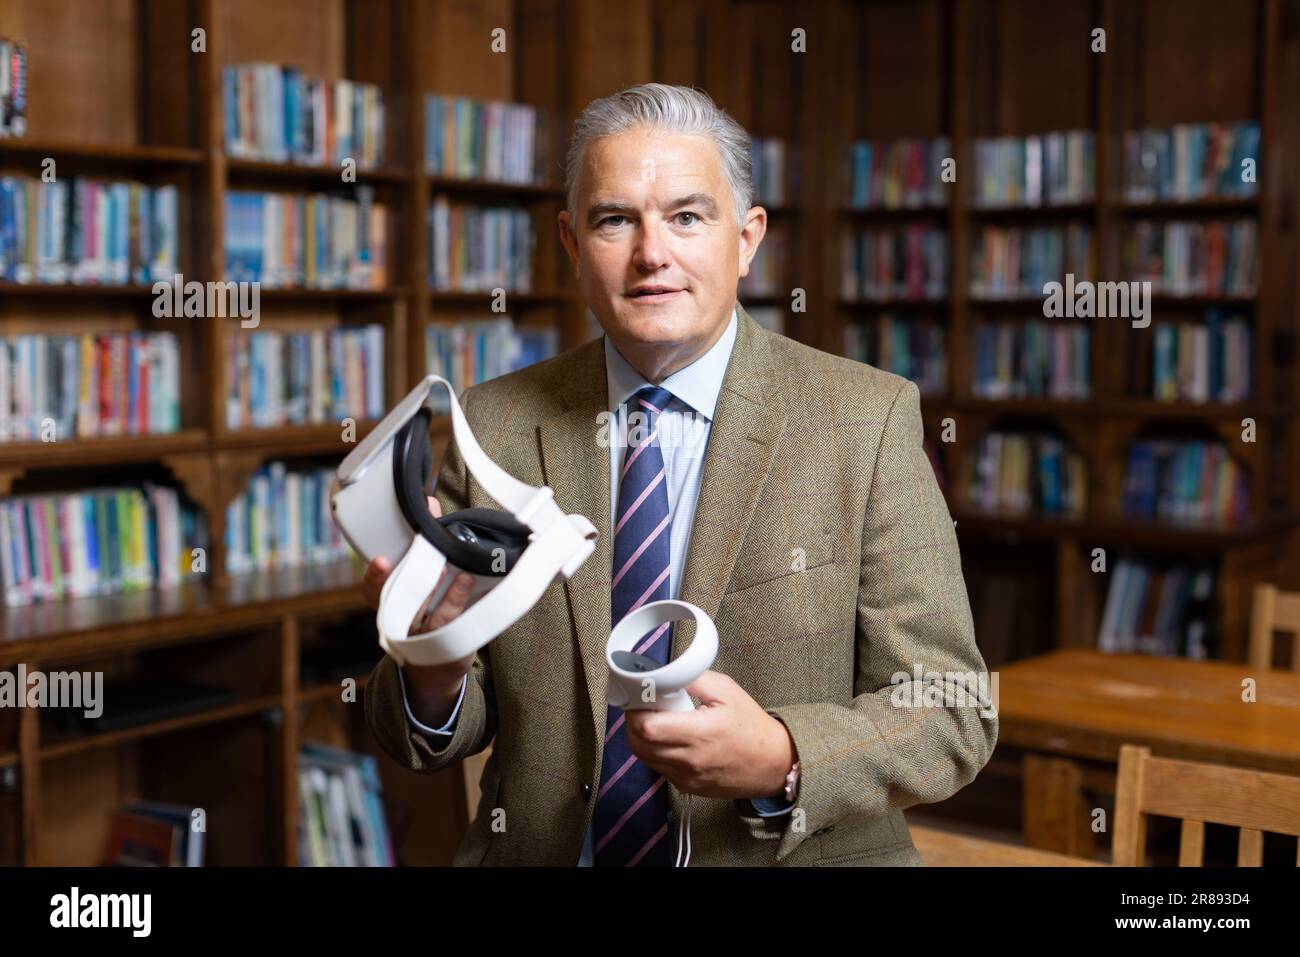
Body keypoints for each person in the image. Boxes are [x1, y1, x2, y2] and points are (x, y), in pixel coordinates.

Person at [364, 82, 996, 866]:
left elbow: (952, 707)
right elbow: (416, 737)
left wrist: (783, 754)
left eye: (688, 216)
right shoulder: (490, 428)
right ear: (570, 241)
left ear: (747, 238)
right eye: (614, 219)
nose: (651, 253)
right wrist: (435, 663)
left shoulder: (868, 420)